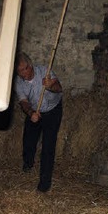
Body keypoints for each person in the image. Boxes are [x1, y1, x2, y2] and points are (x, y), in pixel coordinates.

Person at [14, 52, 63, 192]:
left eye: (25, 69)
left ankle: (44, 184)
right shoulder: (19, 83)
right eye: (20, 72)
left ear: (31, 66)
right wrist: (31, 114)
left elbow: (59, 88)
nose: (24, 74)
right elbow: (23, 103)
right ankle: (28, 164)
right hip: (35, 111)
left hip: (53, 110)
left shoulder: (45, 72)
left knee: (48, 145)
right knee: (29, 139)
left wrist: (51, 85)